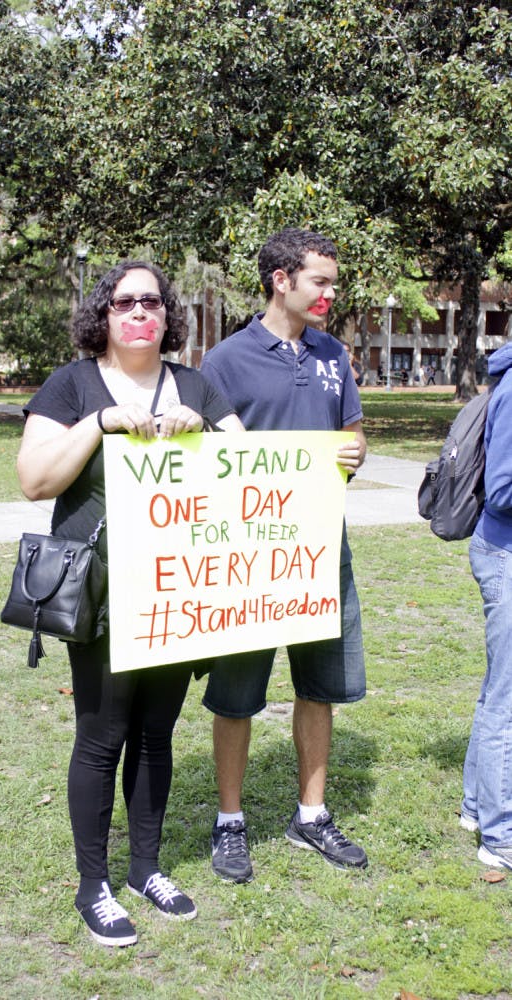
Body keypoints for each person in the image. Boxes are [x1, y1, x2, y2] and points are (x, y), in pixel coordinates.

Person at [16, 261, 244, 948]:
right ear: (105, 313)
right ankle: (94, 885)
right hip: (103, 595)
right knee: (101, 738)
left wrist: (200, 427)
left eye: (152, 300)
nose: (140, 311)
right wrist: (102, 422)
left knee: (155, 733)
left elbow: (249, 463)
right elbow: (34, 479)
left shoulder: (196, 385)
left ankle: (145, 867)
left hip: (177, 590)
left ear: (167, 314)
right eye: (125, 301)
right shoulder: (73, 383)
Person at [199, 226, 368, 882]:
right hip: (248, 559)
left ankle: (311, 814)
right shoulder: (225, 361)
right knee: (235, 694)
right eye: (319, 281)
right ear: (281, 280)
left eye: (331, 281)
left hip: (323, 549)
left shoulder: (333, 355)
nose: (330, 292)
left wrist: (353, 454)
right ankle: (230, 822)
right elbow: (201, 463)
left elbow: (352, 438)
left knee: (318, 688)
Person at [460, 343, 512, 870]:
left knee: (500, 689)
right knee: (509, 701)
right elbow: (501, 489)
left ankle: (477, 809)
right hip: (506, 555)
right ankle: (502, 837)